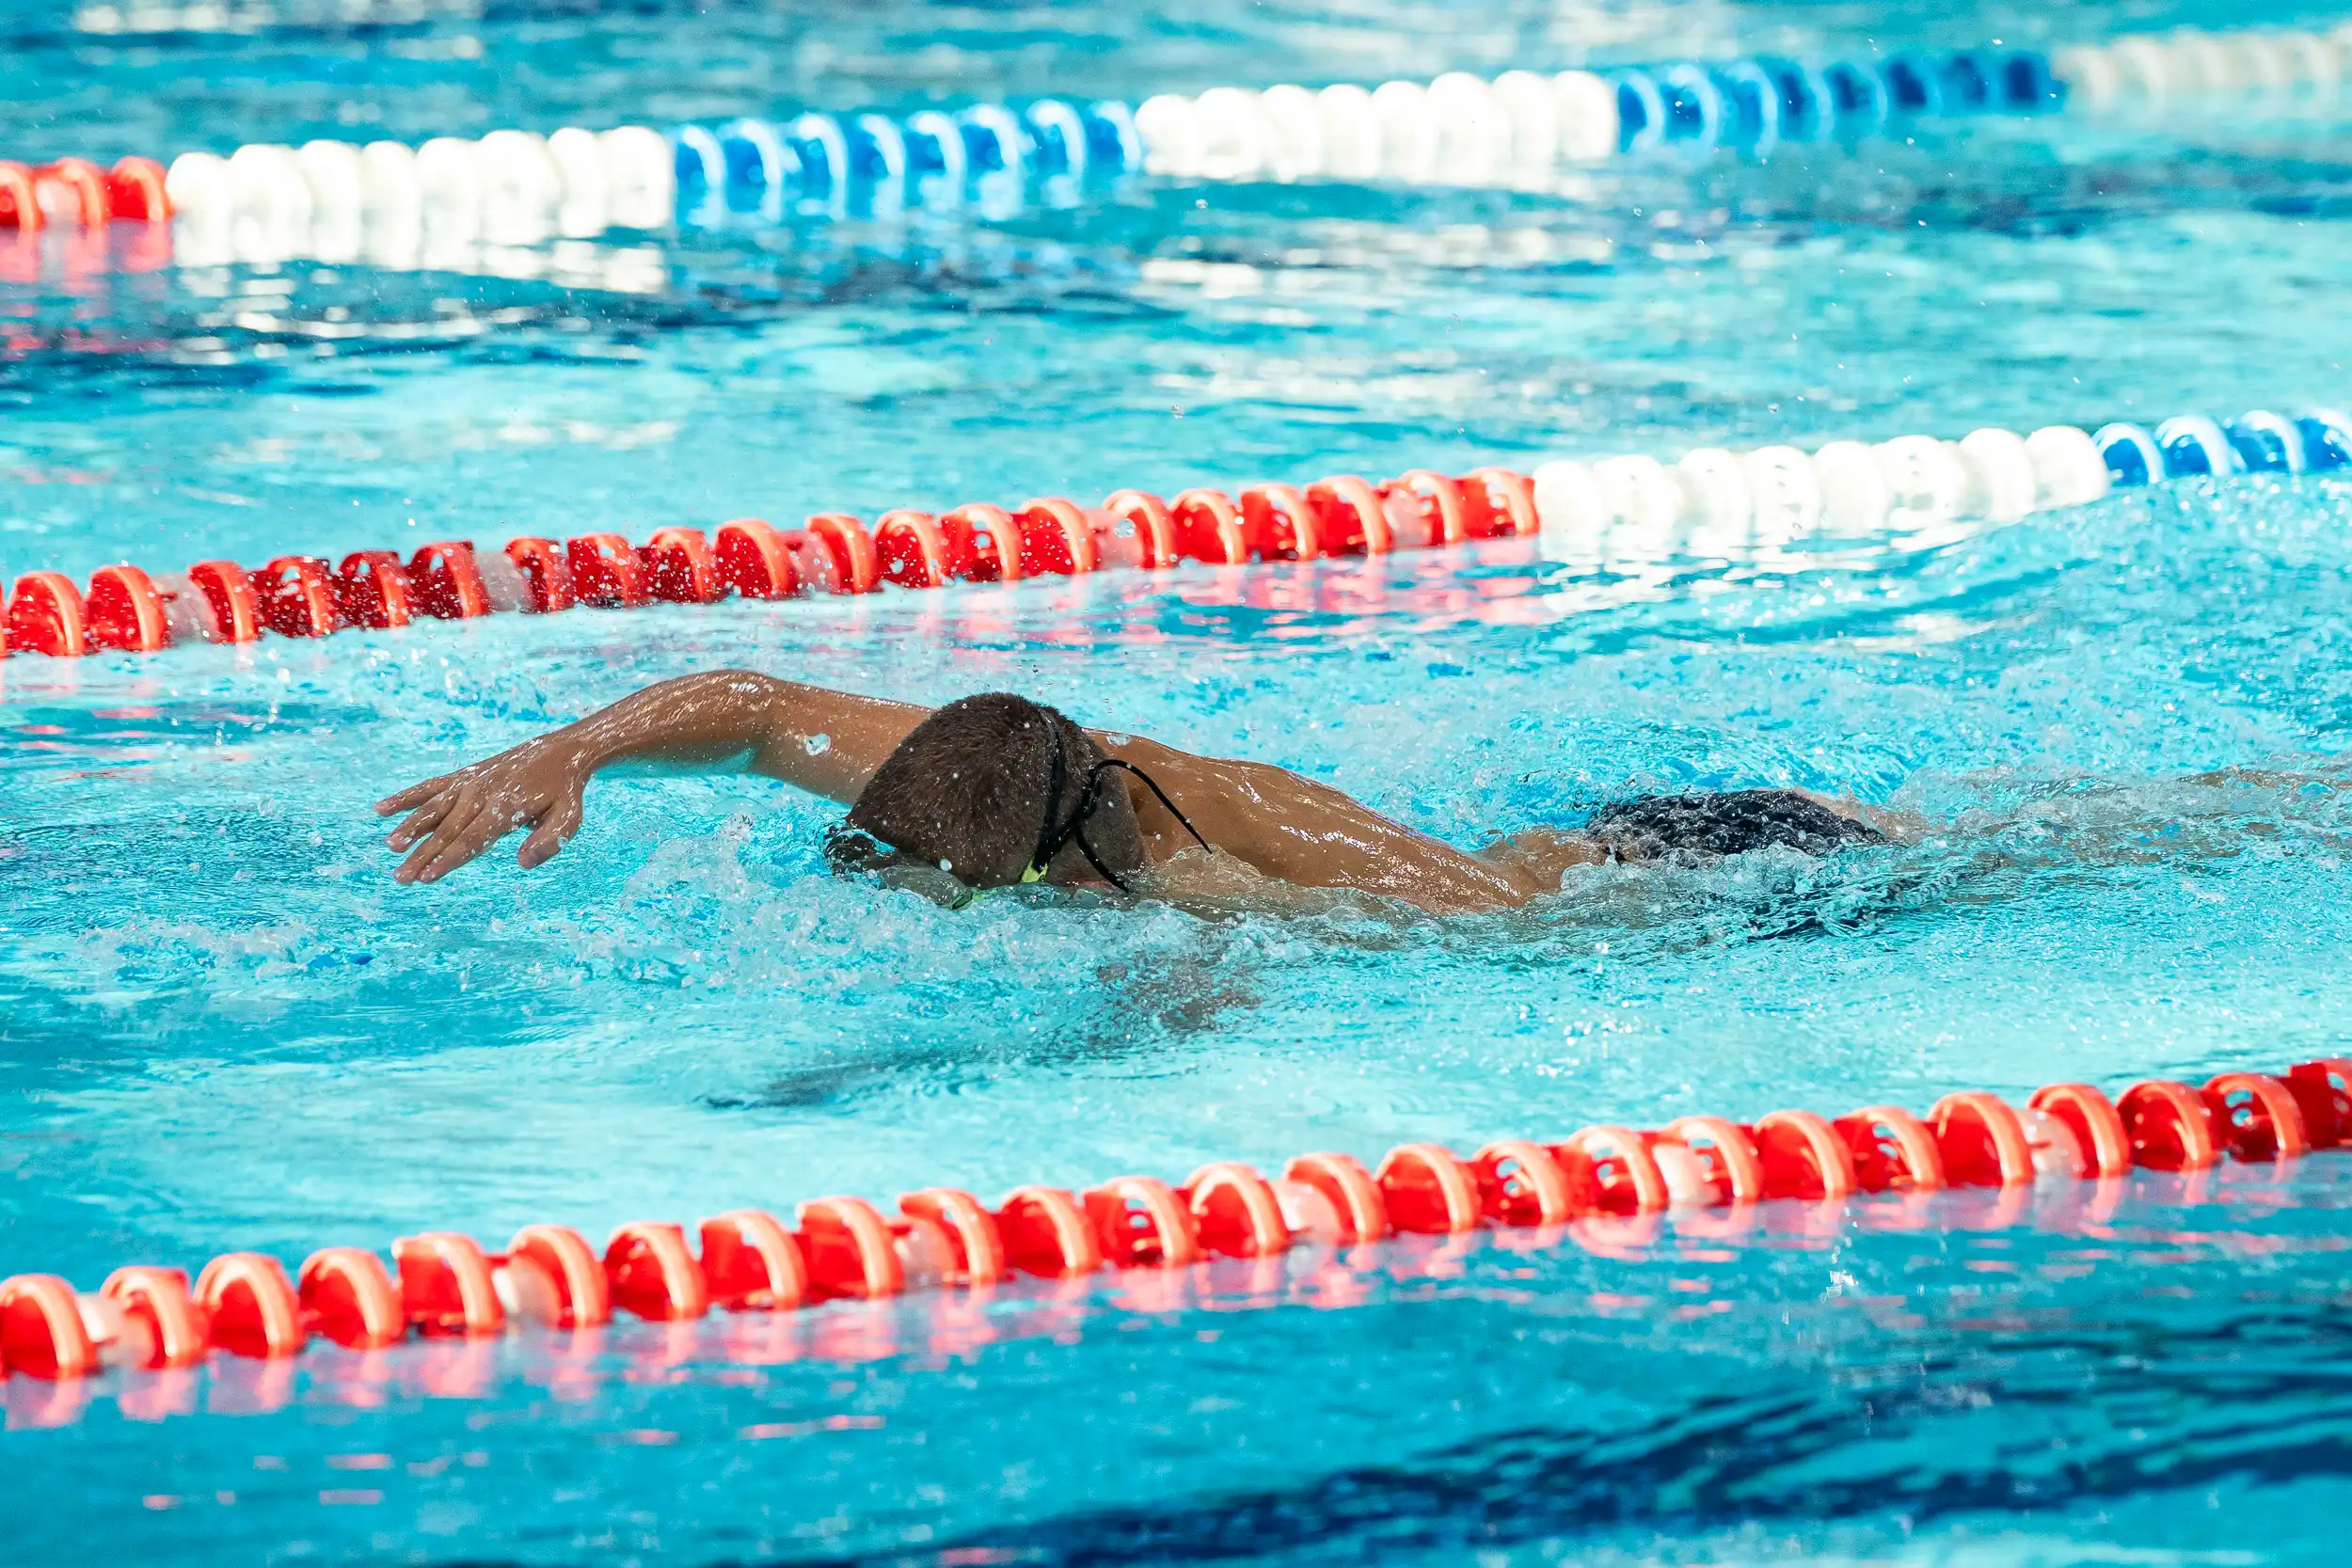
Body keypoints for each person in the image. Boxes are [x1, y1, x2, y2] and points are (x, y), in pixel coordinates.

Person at [374, 671, 1888, 914]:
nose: (872, 862)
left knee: (2032, 851)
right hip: (1596, 835)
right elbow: (762, 710)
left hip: (1690, 882)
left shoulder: (1220, 884)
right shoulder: (1000, 756)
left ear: (1063, 876)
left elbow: (1202, 1014)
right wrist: (562, 750)